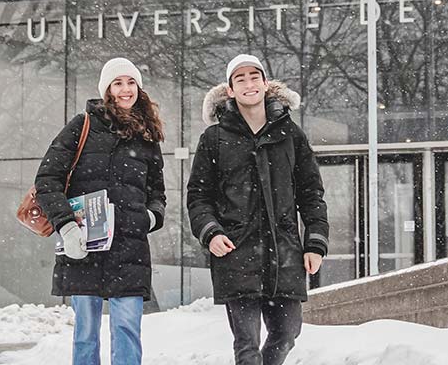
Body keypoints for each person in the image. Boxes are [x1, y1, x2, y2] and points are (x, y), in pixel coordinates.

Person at [187, 54, 328, 365]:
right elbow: (198, 196)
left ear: (265, 84)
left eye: (254, 77)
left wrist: (315, 242)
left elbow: (311, 193)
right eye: (240, 79)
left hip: (285, 252)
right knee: (247, 345)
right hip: (236, 254)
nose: (249, 83)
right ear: (230, 90)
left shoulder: (290, 134)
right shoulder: (214, 138)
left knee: (288, 332)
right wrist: (210, 232)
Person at [35, 58, 167, 365]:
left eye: (131, 82)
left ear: (139, 88)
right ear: (107, 89)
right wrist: (66, 227)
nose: (125, 89)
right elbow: (47, 179)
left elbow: (157, 192)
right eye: (118, 83)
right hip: (84, 246)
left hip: (129, 247)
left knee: (127, 329)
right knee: (86, 332)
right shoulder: (81, 126)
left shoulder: (147, 136)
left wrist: (150, 217)